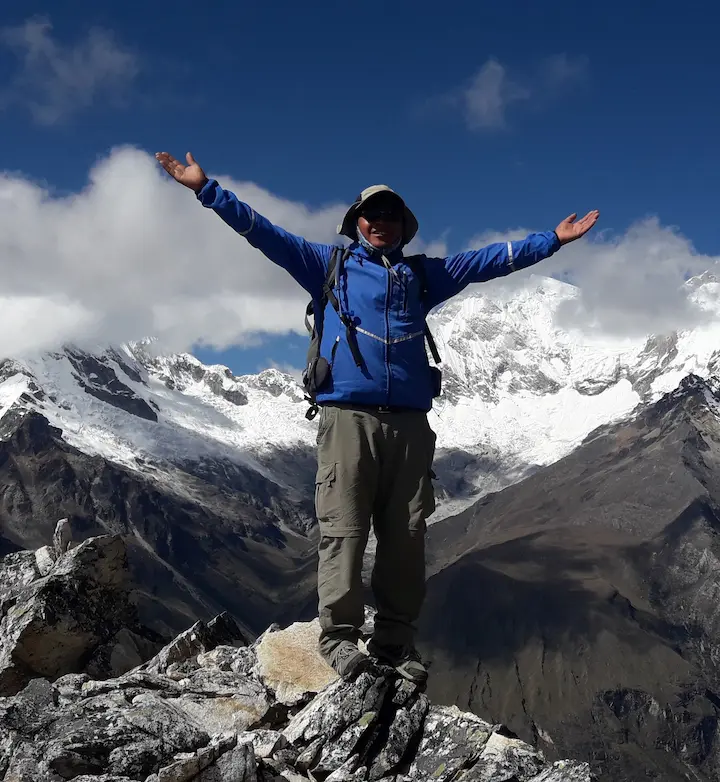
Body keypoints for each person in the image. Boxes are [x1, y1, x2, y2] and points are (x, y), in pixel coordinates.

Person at [156, 151, 599, 685]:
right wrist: (207, 190)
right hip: (347, 419)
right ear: (356, 222)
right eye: (371, 214)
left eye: (389, 215)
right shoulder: (327, 266)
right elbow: (263, 233)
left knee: (406, 537)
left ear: (403, 226)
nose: (380, 222)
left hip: (410, 426)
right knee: (344, 529)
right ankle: (339, 639)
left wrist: (552, 240)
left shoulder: (424, 276)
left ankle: (394, 641)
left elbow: (489, 260)